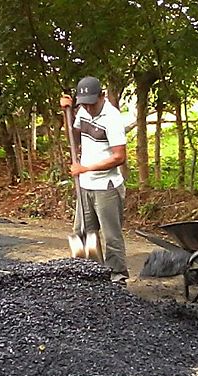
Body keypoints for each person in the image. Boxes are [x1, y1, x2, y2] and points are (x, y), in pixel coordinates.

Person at [60, 76, 129, 283]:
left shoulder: (112, 117)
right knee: (82, 232)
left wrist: (86, 168)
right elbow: (73, 134)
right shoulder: (82, 110)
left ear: (102, 96)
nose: (88, 108)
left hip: (106, 186)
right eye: (84, 104)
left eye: (92, 103)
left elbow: (119, 157)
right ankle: (91, 275)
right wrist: (67, 111)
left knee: (111, 236)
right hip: (85, 184)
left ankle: (118, 276)